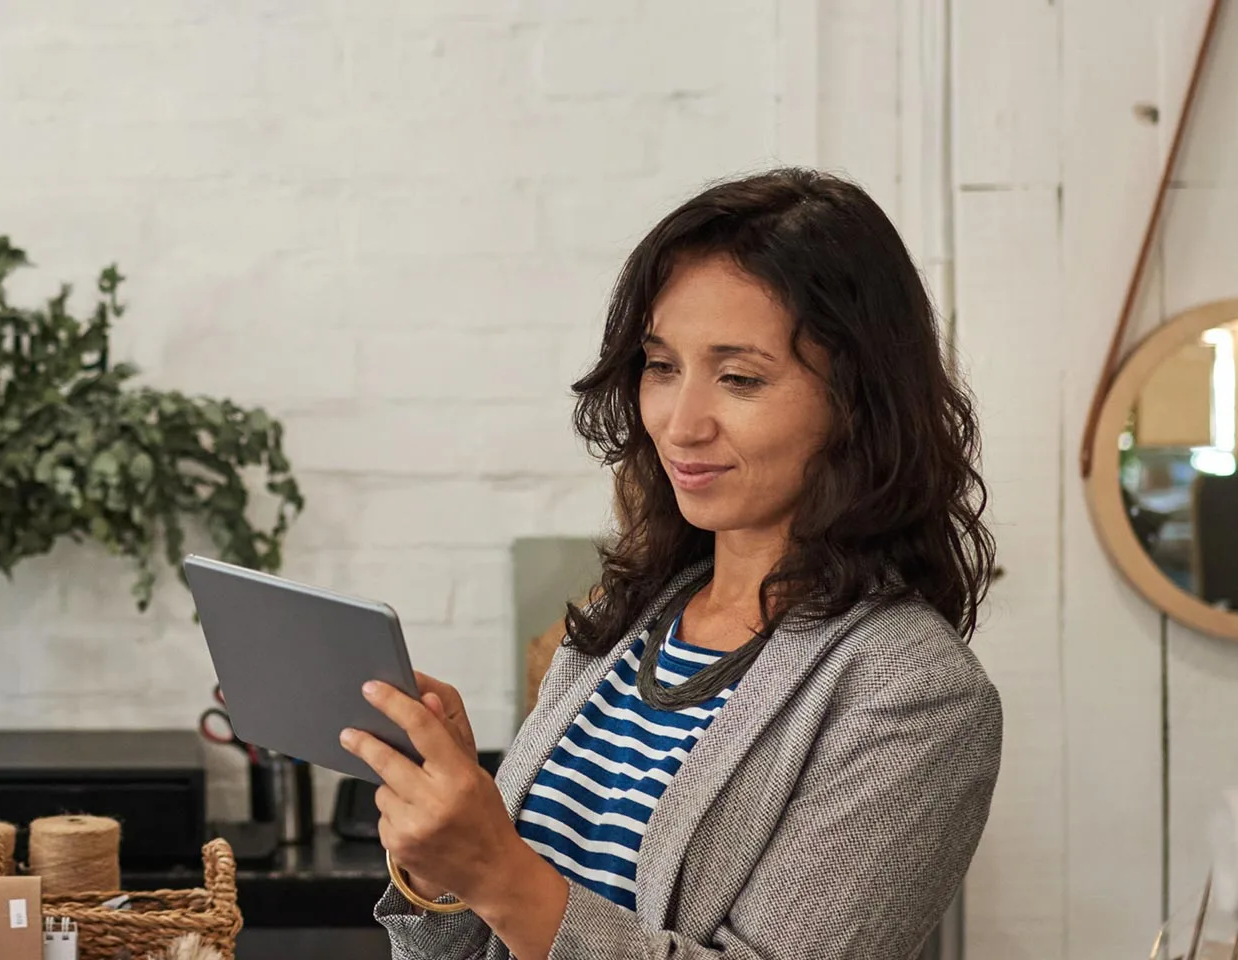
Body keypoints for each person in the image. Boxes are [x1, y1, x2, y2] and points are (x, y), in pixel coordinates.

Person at [351, 169, 1004, 960]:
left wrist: (496, 869)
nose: (679, 423)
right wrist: (449, 853)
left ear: (857, 403)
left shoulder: (913, 693)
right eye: (661, 366)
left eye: (739, 378)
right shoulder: (632, 616)